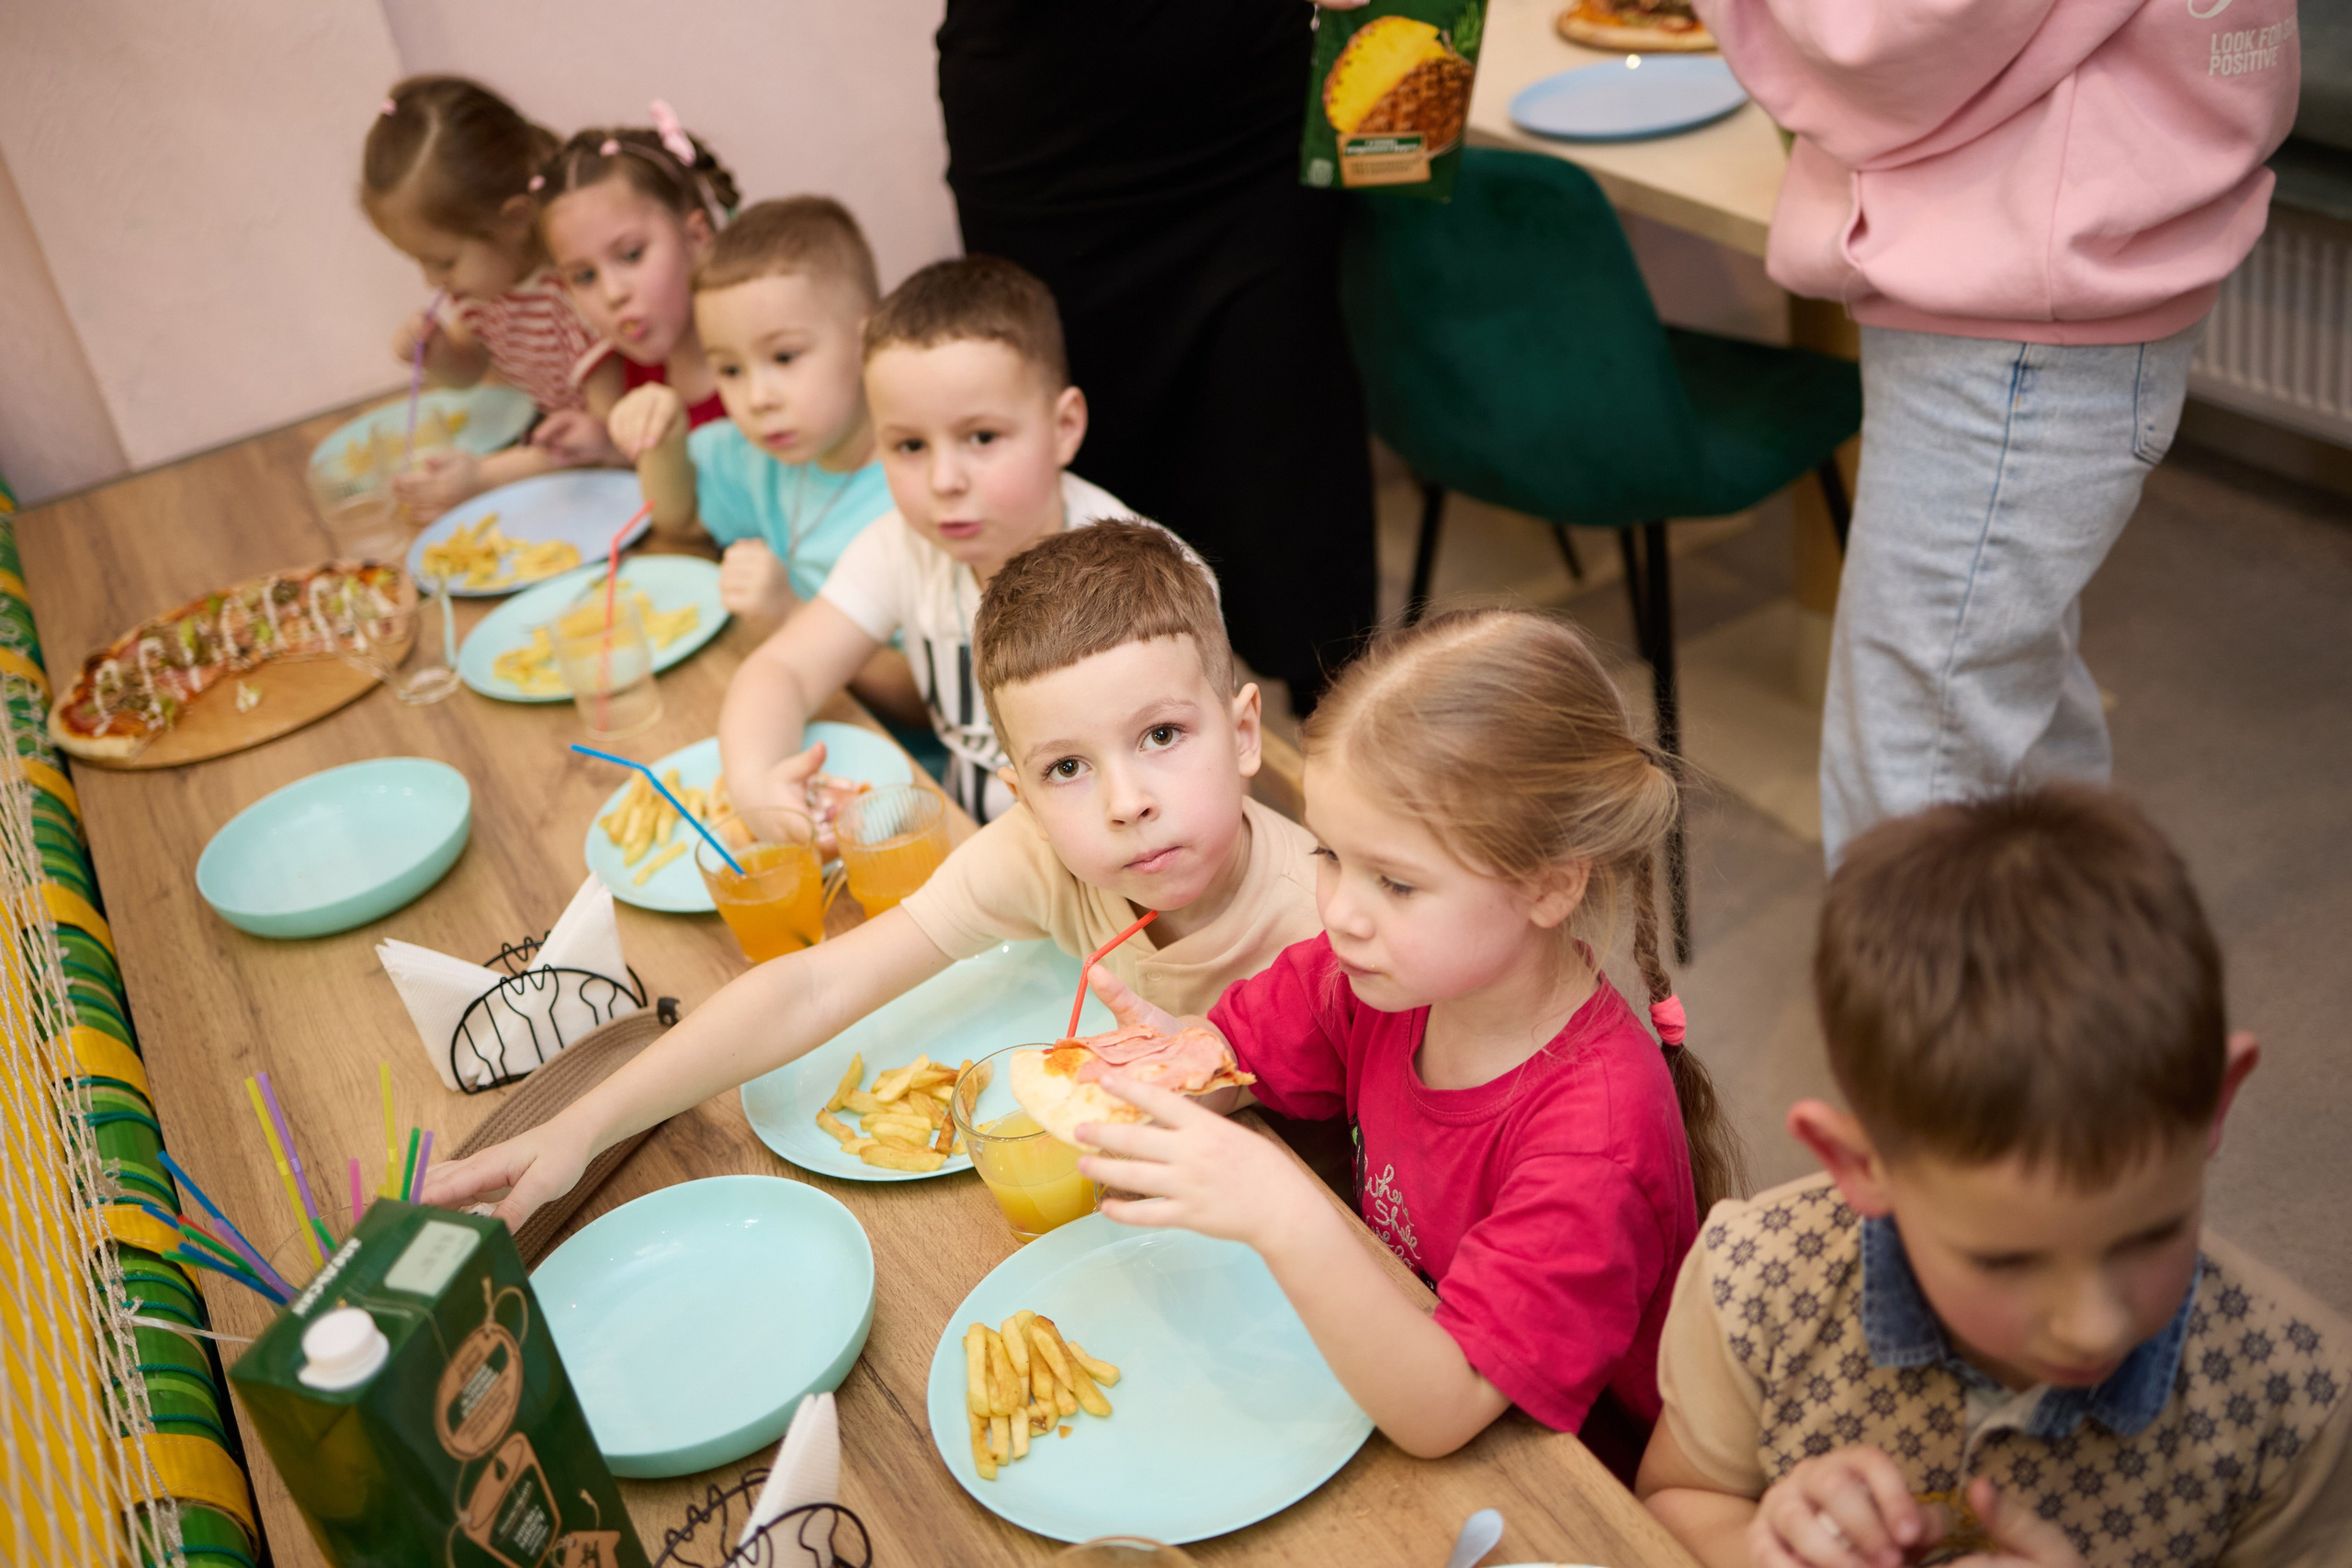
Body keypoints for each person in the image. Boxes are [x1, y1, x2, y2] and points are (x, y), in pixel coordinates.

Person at [423, 520, 1320, 1230]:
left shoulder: (1329, 923)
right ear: (1022, 797)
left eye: (1161, 736)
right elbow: (814, 985)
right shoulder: (1043, 857)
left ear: (1243, 733)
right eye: (1067, 770)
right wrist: (579, 1126)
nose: (1126, 802)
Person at [1069, 608, 1744, 1468]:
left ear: (1548, 886)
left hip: (1557, 1480)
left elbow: (1443, 1409)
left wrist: (1283, 1210)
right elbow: (1239, 1056)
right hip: (1377, 1362)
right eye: (1330, 855)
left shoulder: (1595, 1140)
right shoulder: (1378, 976)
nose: (1342, 912)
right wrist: (1187, 1058)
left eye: (1395, 881)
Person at [1636, 786, 2352, 1566]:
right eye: (2006, 1259)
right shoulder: (1756, 1281)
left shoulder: (2299, 1402)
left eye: (2148, 1235)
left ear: (2219, 1102)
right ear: (1857, 1165)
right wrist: (1757, 1547)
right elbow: (1678, 1499)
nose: (2094, 1325)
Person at [1687, 0, 2301, 863]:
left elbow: (1885, 32)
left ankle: (1938, 1000)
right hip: (2053, 284)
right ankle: (2085, 988)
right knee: (2008, 713)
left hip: (2016, 323)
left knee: (1920, 771)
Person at [935, 0, 1378, 711]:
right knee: (1097, 488)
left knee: (1293, 462)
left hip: (1248, 116)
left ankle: (1346, 771)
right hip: (1045, 144)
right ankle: (1136, 754)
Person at [716, 256, 1155, 830]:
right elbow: (783, 670)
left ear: (1064, 427)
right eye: (910, 447)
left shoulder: (1143, 581)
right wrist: (756, 786)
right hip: (969, 840)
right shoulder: (899, 549)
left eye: (981, 437)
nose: (944, 481)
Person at [606, 197, 893, 627]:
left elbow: (918, 689)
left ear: (867, 339)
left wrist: (790, 613)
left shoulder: (914, 494)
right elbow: (679, 519)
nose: (758, 398)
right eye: (731, 370)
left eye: (784, 357)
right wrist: (663, 437)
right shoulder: (759, 456)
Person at [360, 76, 619, 522]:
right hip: (561, 464)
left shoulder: (574, 294)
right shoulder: (486, 290)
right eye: (418, 262)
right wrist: (441, 353)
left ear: (516, 220)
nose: (430, 281)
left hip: (613, 476)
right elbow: (470, 369)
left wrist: (483, 475)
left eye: (443, 261)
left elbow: (610, 438)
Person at [532, 106, 740, 457]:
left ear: (697, 236)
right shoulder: (637, 373)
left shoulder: (760, 368)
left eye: (631, 255)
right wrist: (606, 445)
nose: (613, 294)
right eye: (584, 277)